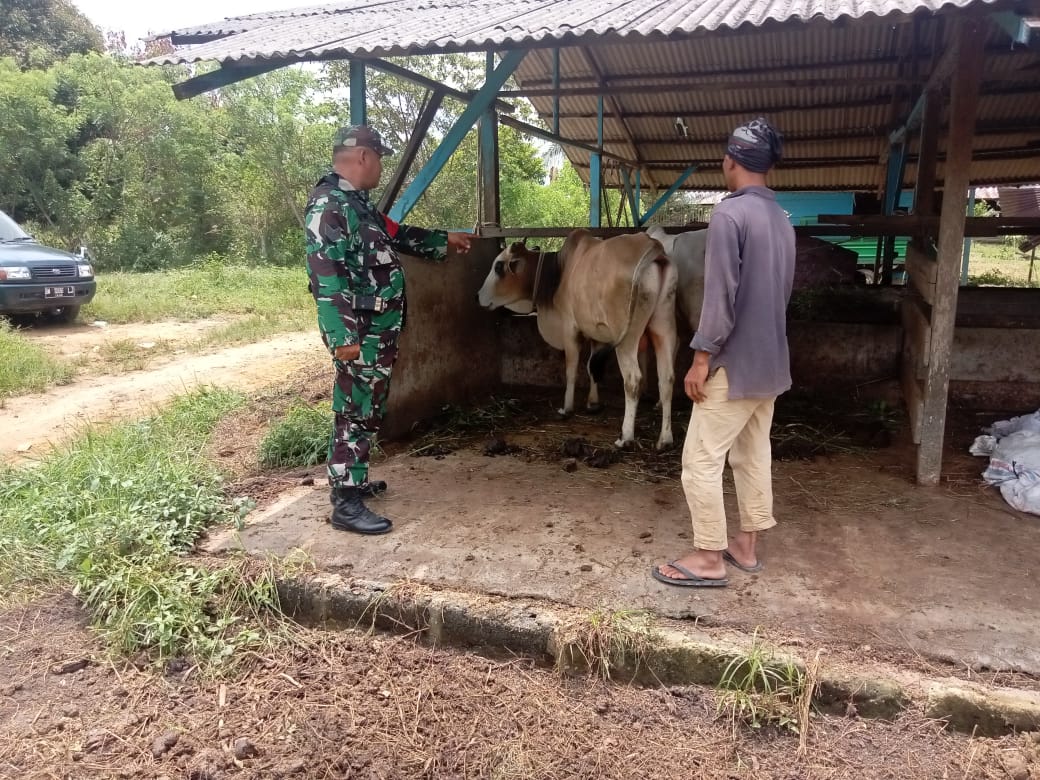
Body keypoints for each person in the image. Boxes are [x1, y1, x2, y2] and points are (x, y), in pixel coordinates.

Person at [304, 125, 472, 535]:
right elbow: (326, 275)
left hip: (376, 330)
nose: (381, 167)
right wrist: (342, 337)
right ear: (363, 156)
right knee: (355, 408)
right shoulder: (329, 205)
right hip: (358, 332)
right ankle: (345, 503)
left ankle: (354, 479)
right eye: (379, 158)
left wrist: (444, 240)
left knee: (368, 406)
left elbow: (398, 235)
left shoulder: (357, 206)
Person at [652, 117, 795, 588]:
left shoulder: (729, 215)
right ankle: (745, 546)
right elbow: (780, 294)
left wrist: (700, 358)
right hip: (771, 362)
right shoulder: (782, 220)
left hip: (733, 364)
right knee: (752, 454)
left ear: (731, 160)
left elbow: (719, 298)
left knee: (700, 459)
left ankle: (709, 556)